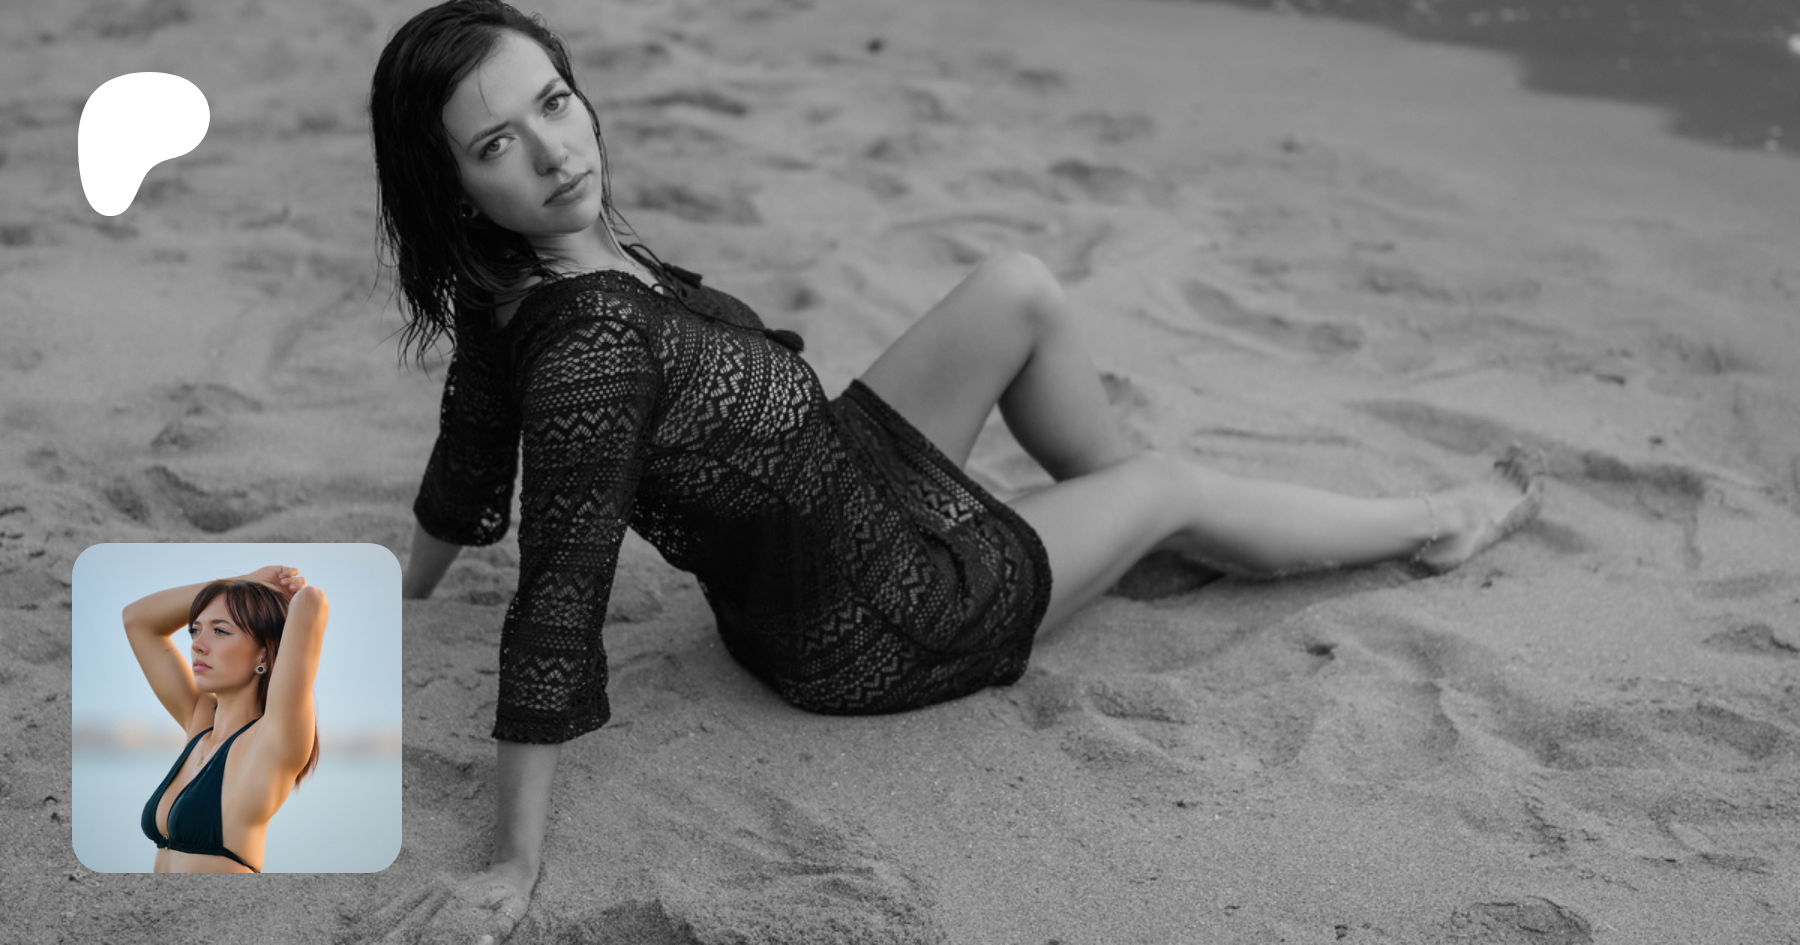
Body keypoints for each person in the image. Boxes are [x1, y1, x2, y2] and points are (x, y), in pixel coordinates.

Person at [368, 1, 1542, 939]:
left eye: (553, 101)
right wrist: (511, 863)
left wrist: (408, 597)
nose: (555, 152)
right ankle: (1429, 523)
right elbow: (557, 599)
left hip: (840, 488)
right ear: (454, 188)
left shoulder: (518, 280)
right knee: (1170, 483)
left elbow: (467, 452)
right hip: (876, 622)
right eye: (497, 145)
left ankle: (1127, 540)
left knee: (1017, 286)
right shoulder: (589, 349)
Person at [123, 566, 326, 873]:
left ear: (263, 654)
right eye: (195, 630)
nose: (197, 644)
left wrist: (260, 591)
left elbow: (312, 601)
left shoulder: (272, 740)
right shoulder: (200, 722)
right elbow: (136, 620)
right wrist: (239, 581)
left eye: (220, 631)